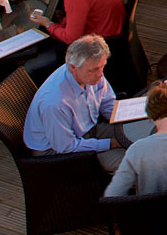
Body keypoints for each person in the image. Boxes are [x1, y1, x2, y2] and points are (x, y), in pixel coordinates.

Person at [22, 34, 125, 170]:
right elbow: (66, 146)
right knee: (132, 160)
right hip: (57, 153)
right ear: (73, 68)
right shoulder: (55, 102)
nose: (100, 74)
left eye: (102, 66)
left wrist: (128, 119)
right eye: (94, 69)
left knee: (138, 136)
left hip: (87, 130)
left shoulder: (92, 73)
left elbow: (107, 104)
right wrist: (110, 144)